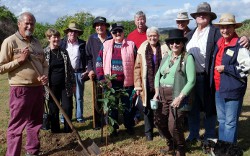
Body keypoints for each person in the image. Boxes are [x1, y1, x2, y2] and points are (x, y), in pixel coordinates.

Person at [186, 2, 249, 142]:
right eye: (198, 14)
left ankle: (209, 135)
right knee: (193, 108)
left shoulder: (216, 33)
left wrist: (246, 38)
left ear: (209, 17)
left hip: (208, 77)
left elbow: (233, 41)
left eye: (205, 14)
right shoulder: (190, 34)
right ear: (195, 17)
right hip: (192, 77)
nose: (201, 16)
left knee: (210, 108)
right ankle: (193, 134)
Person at [0, 12, 48, 156]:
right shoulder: (10, 41)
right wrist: (19, 60)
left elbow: (44, 63)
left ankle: (32, 151)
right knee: (16, 127)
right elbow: (1, 67)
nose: (29, 26)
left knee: (35, 123)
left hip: (38, 89)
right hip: (20, 90)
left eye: (32, 23)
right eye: (26, 23)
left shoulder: (37, 42)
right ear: (19, 24)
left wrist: (44, 75)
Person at [154, 29, 196, 156]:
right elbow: (157, 76)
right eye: (171, 42)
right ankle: (171, 143)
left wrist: (180, 97)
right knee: (159, 122)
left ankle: (181, 148)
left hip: (177, 93)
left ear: (182, 43)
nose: (174, 45)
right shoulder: (167, 57)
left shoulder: (188, 58)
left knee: (173, 124)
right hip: (162, 93)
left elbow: (192, 81)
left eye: (177, 42)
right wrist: (156, 92)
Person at [210, 13, 250, 143]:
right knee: (221, 120)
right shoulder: (219, 42)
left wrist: (226, 68)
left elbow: (246, 69)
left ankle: (228, 149)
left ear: (234, 28)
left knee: (230, 122)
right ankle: (222, 147)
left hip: (233, 89)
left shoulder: (240, 44)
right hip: (218, 88)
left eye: (228, 27)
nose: (225, 30)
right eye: (222, 27)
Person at [96, 23, 136, 136]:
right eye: (115, 32)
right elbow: (99, 62)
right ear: (112, 33)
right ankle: (113, 129)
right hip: (110, 83)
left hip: (126, 82)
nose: (118, 33)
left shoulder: (131, 45)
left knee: (127, 106)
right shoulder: (106, 45)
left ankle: (129, 126)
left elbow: (137, 64)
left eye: (120, 31)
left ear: (123, 32)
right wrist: (102, 79)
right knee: (112, 107)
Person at [134, 27, 169, 141]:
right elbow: (137, 68)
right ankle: (148, 132)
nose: (152, 38)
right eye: (150, 36)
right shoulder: (142, 50)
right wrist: (138, 86)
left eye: (155, 35)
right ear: (147, 37)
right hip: (147, 84)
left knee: (161, 109)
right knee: (147, 109)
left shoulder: (165, 49)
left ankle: (162, 130)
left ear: (158, 36)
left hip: (161, 84)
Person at [44, 28, 75, 133]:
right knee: (53, 109)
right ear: (49, 38)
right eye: (54, 37)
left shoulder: (64, 52)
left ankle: (68, 129)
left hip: (65, 85)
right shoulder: (45, 53)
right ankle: (55, 131)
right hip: (51, 86)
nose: (57, 39)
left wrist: (73, 83)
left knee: (67, 107)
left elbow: (70, 69)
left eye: (58, 37)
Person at [86, 16, 112, 129]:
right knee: (98, 98)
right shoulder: (91, 39)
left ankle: (109, 121)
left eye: (102, 25)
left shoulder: (111, 38)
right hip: (96, 74)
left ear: (106, 26)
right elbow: (88, 57)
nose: (99, 27)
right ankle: (98, 122)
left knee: (109, 97)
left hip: (110, 74)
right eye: (97, 25)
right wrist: (90, 69)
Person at [60, 22, 87, 123]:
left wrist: (86, 70)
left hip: (78, 73)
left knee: (79, 97)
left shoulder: (82, 44)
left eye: (75, 32)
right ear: (67, 33)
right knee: (66, 96)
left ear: (78, 33)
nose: (73, 33)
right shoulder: (62, 43)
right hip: (65, 74)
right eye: (71, 31)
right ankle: (64, 117)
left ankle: (79, 117)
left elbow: (87, 58)